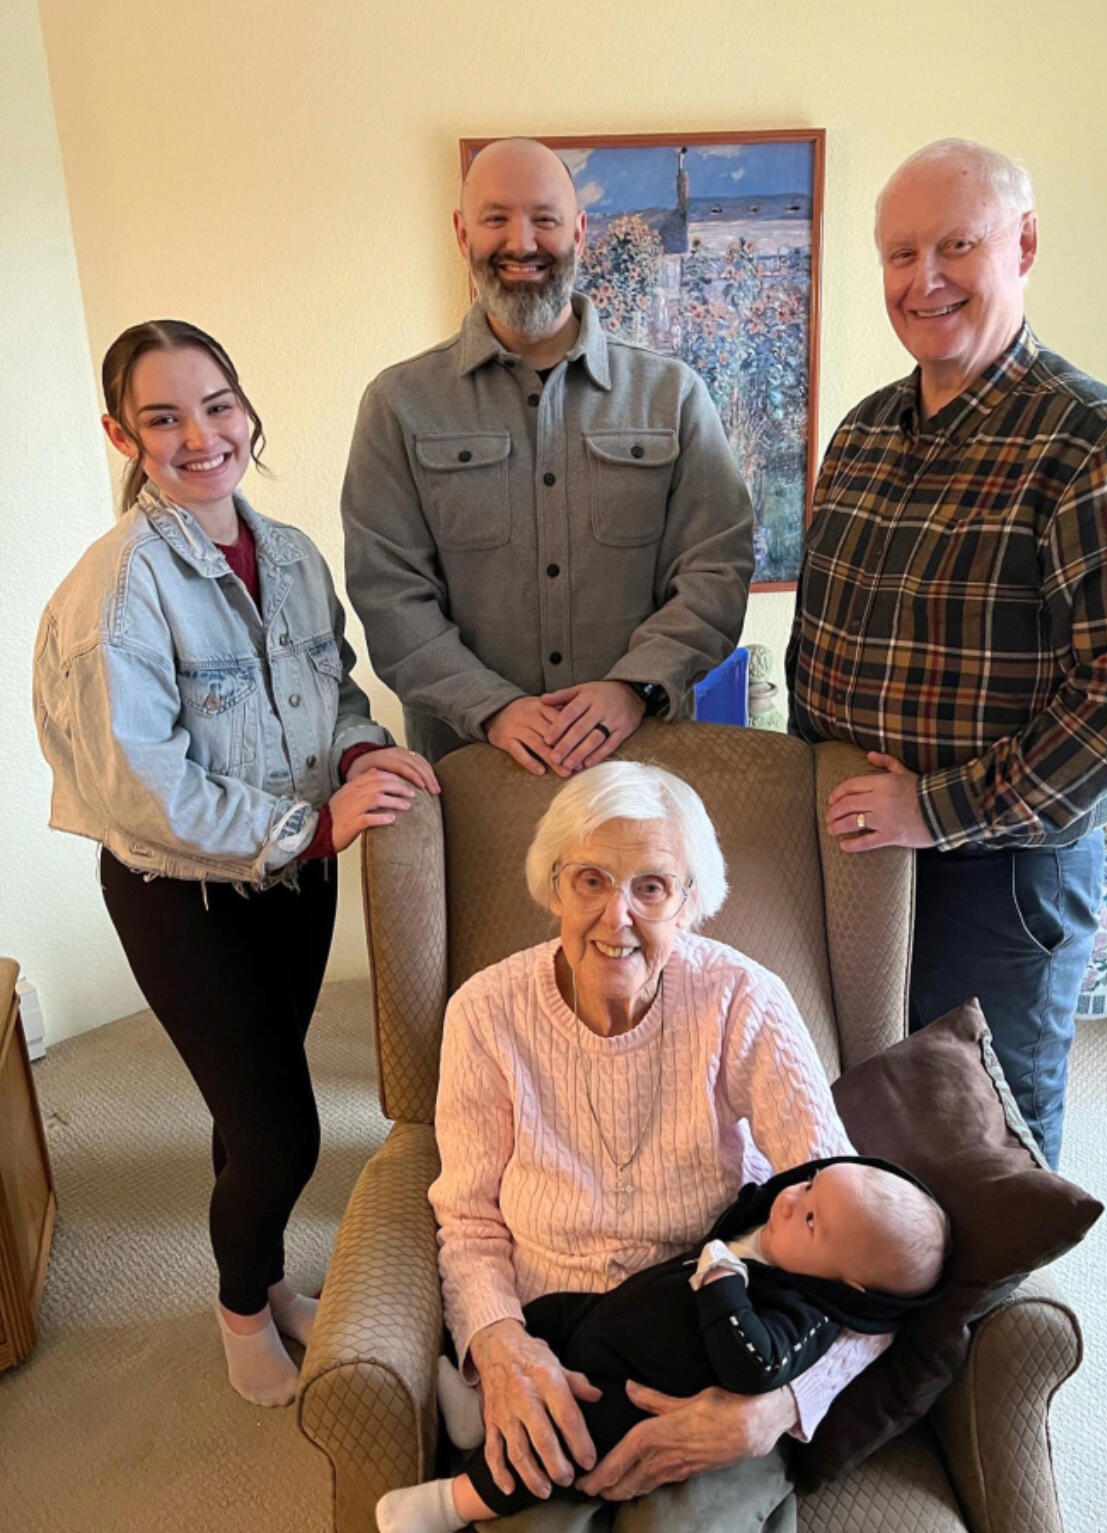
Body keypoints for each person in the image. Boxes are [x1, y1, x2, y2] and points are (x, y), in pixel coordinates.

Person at [33, 320, 440, 1407]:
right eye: (162, 417)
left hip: (291, 888)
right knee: (280, 1126)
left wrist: (362, 748)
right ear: (124, 434)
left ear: (247, 410)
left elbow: (334, 692)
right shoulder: (116, 589)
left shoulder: (295, 555)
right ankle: (239, 1309)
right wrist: (314, 827)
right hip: (184, 898)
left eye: (216, 405)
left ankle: (258, 1274)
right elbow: (140, 788)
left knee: (244, 1100)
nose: (199, 435)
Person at [786, 138, 1107, 1170]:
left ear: (1022, 246)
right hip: (851, 847)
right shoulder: (865, 431)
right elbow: (819, 638)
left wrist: (935, 808)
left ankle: (988, 1330)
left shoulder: (1088, 436)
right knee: (853, 1104)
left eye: (954, 246)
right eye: (896, 253)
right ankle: (876, 1324)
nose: (921, 279)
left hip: (997, 864)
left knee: (978, 1125)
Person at [406, 760, 896, 1532]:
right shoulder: (486, 1013)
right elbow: (467, 1220)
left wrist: (772, 1408)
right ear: (552, 885)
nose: (617, 916)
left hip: (711, 1353)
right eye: (591, 879)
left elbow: (850, 1239)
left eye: (652, 887)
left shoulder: (743, 999)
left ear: (692, 901)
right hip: (554, 1340)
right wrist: (499, 1344)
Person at [341, 136, 755, 777]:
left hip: (642, 775)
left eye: (545, 218)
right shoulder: (398, 405)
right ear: (462, 233)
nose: (522, 242)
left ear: (580, 231)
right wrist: (493, 707)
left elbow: (717, 570)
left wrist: (632, 688)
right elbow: (388, 593)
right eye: (496, 218)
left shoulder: (673, 396)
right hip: (473, 775)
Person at [376, 1156, 948, 1531]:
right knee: (536, 1322)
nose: (791, 1201)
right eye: (808, 1184)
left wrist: (725, 1288)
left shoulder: (806, 1312)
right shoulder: (783, 1224)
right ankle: (476, 1408)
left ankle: (448, 1505)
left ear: (847, 1282)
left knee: (555, 1447)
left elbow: (754, 1365)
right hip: (604, 1315)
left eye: (811, 1220)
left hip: (634, 1393)